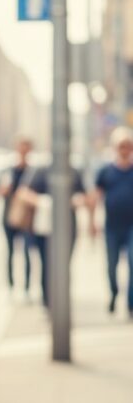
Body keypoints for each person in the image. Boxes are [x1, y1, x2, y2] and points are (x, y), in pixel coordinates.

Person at [18, 163, 88, 307]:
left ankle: (61, 299)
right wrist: (44, 202)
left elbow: (84, 195)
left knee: (64, 266)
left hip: (68, 227)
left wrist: (74, 201)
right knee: (46, 265)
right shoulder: (41, 170)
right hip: (45, 228)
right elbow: (23, 192)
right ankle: (48, 301)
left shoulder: (73, 171)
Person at [90, 127, 133, 316]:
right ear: (115, 148)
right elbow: (95, 197)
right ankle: (114, 293)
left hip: (131, 226)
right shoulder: (105, 171)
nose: (124, 149)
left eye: (128, 146)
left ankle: (131, 302)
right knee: (111, 265)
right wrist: (91, 222)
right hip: (112, 227)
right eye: (121, 146)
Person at [0, 138, 33, 296]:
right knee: (11, 251)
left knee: (27, 252)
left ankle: (26, 286)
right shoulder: (9, 171)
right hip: (10, 215)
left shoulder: (32, 171)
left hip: (26, 218)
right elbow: (1, 191)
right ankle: (11, 285)